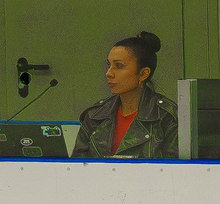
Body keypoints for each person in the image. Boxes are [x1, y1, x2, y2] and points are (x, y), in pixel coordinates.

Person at [71, 31, 178, 159]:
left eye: (119, 66)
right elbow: (76, 168)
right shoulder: (95, 115)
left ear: (143, 73)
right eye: (109, 65)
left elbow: (176, 171)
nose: (109, 73)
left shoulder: (168, 116)